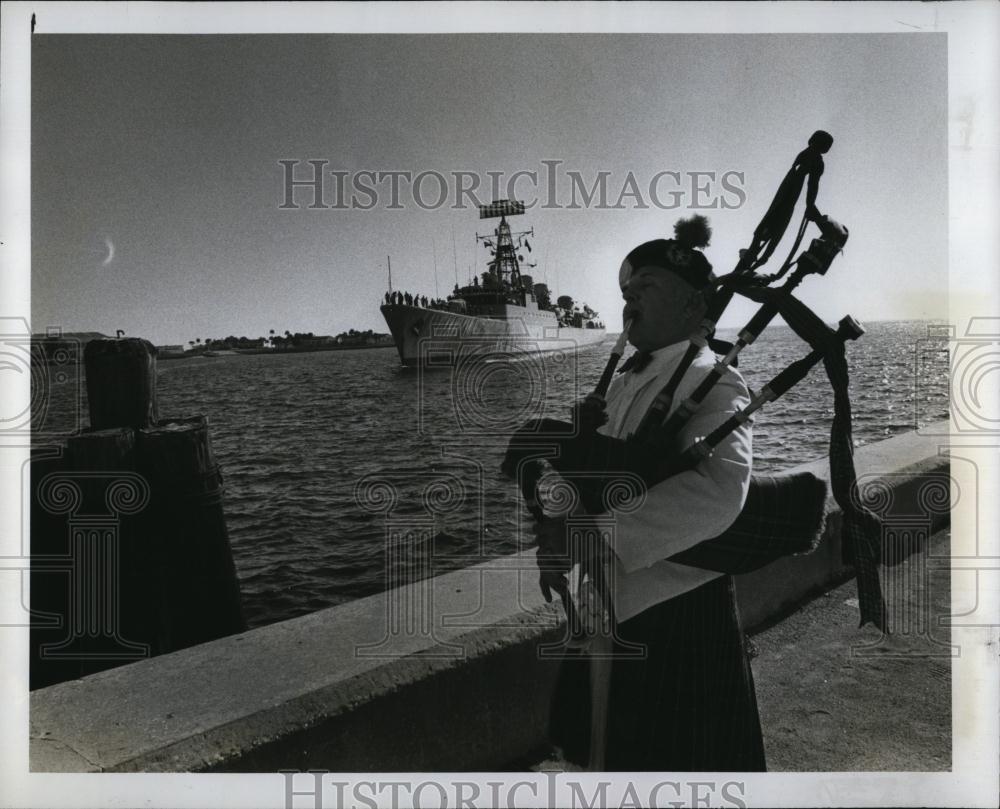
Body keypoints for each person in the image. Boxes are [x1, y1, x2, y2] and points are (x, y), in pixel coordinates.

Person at [535, 215, 766, 772]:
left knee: (679, 760)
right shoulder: (622, 382)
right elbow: (585, 471)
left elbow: (718, 491)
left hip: (678, 611)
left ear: (694, 308)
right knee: (610, 755)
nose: (629, 303)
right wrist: (555, 520)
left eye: (646, 289)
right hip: (610, 604)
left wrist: (599, 537)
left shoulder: (712, 376)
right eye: (626, 293)